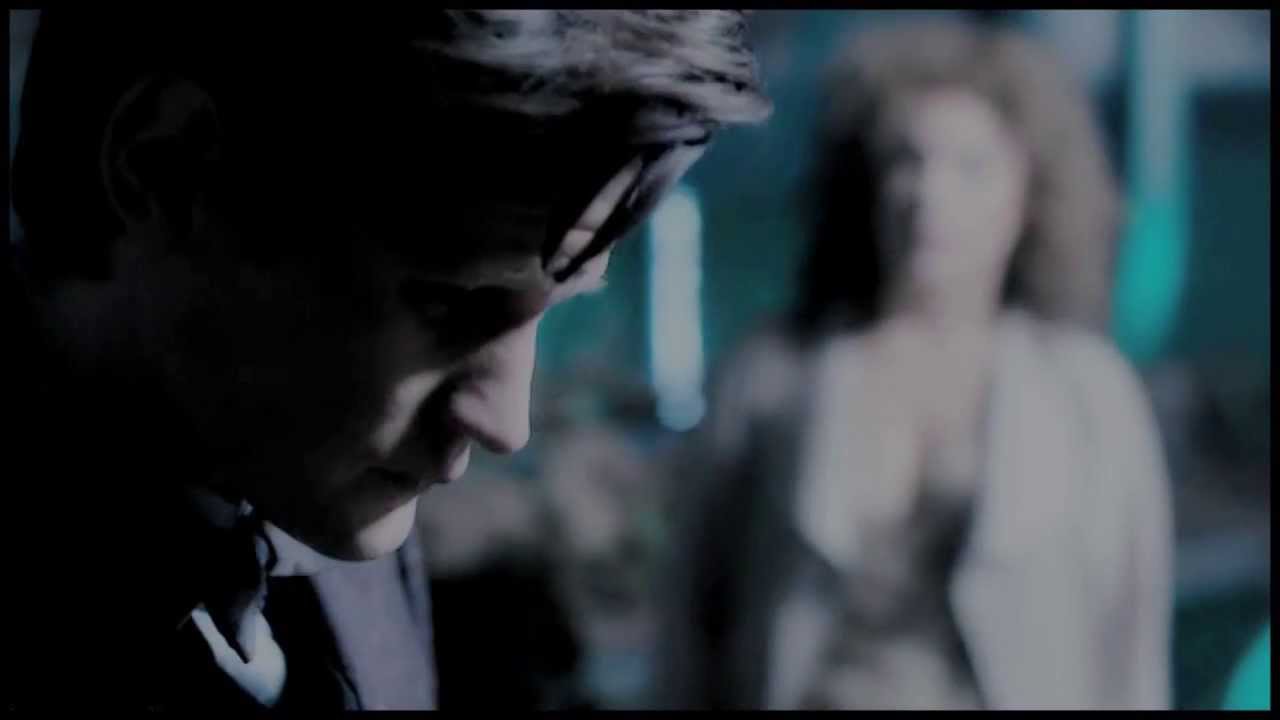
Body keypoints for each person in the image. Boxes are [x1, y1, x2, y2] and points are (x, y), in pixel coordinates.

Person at [4, 9, 769, 710]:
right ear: (166, 167)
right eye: (452, 300)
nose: (505, 425)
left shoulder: (319, 494)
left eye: (558, 302)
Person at [656, 19, 1170, 710]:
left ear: (1028, 192)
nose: (930, 196)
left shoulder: (1088, 391)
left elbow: (1133, 648)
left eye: (971, 167)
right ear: (868, 182)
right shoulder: (772, 377)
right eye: (907, 161)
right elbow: (690, 626)